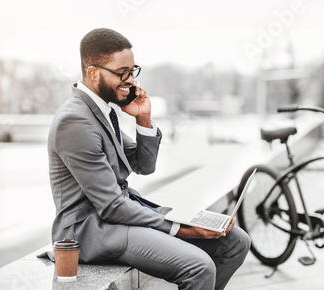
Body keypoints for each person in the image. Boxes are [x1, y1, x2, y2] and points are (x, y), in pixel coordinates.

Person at [47, 28, 250, 290]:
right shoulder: (74, 121)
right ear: (93, 72)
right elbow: (111, 206)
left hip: (119, 217)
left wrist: (143, 119)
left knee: (236, 242)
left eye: (132, 71)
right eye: (122, 72)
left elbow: (144, 165)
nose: (130, 80)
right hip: (91, 230)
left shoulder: (104, 110)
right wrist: (182, 229)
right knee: (199, 266)